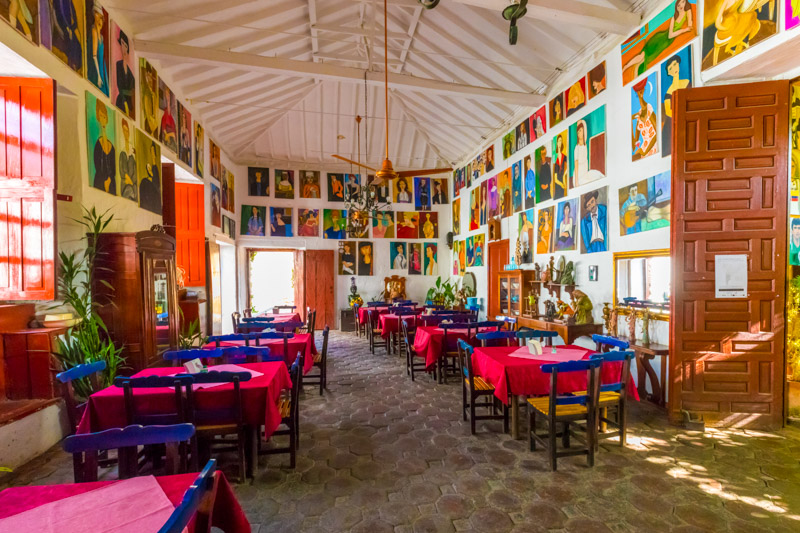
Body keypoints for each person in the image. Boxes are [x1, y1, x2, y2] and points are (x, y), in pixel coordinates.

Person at [623, 0, 694, 75]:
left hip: (665, 42)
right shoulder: (674, 18)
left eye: (682, 2)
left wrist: (688, 25)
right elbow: (670, 35)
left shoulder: (688, 11)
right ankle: (626, 67)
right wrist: (684, 30)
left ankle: (634, 67)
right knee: (643, 55)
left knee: (644, 58)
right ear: (676, 7)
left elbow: (690, 25)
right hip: (660, 38)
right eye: (678, 5)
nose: (680, 6)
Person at [662, 53, 691, 154]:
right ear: (668, 72)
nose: (674, 68)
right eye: (670, 68)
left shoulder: (687, 82)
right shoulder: (668, 93)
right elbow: (668, 112)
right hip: (673, 124)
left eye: (675, 64)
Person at [92, 100, 115, 194]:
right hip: (99, 184)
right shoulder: (98, 145)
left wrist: (109, 180)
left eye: (104, 116)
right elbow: (97, 167)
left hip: (111, 185)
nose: (103, 119)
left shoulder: (112, 147)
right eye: (100, 116)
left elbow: (113, 169)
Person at [632, 77, 659, 160]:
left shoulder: (649, 108)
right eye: (638, 90)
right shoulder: (639, 114)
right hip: (643, 148)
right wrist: (630, 122)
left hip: (653, 147)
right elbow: (634, 143)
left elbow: (657, 134)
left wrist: (645, 151)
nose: (640, 92)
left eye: (642, 89)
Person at [54, 0, 83, 72]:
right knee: (71, 44)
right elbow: (59, 15)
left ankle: (75, 64)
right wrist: (67, 28)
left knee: (78, 47)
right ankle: (72, 63)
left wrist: (72, 28)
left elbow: (74, 15)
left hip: (70, 28)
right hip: (62, 28)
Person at [114, 31, 135, 115]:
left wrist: (129, 92)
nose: (123, 47)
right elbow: (120, 88)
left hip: (130, 105)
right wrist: (128, 92)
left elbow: (133, 89)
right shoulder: (118, 65)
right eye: (122, 43)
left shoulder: (129, 71)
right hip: (121, 102)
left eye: (125, 45)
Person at [139, 144, 161, 213]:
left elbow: (157, 184)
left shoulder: (155, 171)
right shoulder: (145, 181)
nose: (149, 169)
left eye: (153, 151)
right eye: (148, 168)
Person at [118, 119, 136, 201]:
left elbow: (135, 171)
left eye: (127, 130)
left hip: (132, 185)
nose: (126, 133)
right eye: (124, 130)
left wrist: (131, 182)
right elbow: (121, 170)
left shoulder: (132, 154)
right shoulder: (122, 152)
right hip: (125, 185)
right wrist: (127, 178)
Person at [573, 121, 589, 187]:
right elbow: (576, 164)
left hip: (585, 171)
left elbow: (584, 125)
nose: (579, 133)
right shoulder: (577, 148)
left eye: (581, 130)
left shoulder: (585, 143)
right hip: (579, 174)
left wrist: (581, 121)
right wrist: (576, 181)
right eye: (578, 131)